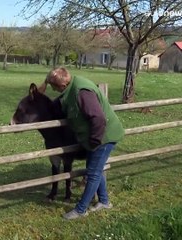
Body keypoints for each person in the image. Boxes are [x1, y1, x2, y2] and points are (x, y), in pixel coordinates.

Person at [39, 66, 124, 220]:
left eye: (53, 87)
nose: (53, 90)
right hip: (97, 135)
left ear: (62, 85)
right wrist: (44, 85)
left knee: (92, 173)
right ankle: (104, 201)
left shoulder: (81, 92)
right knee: (96, 169)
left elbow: (98, 119)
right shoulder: (70, 86)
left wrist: (94, 141)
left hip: (104, 136)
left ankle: (81, 209)